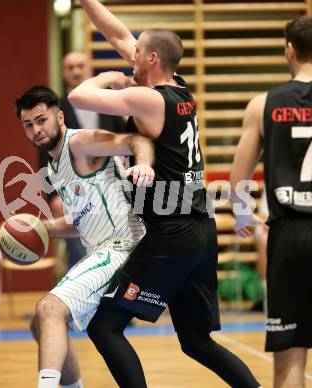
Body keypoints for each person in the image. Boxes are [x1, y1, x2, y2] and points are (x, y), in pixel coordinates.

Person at [67, 1, 261, 387]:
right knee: (195, 340)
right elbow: (119, 34)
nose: (129, 56)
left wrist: (106, 77)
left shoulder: (149, 99)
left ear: (152, 58)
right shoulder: (177, 89)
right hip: (199, 230)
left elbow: (77, 97)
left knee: (105, 326)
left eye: (136, 54)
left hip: (172, 232)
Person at [15, 85, 155, 388]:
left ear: (60, 117)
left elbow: (135, 140)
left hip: (124, 246)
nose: (36, 130)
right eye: (28, 125)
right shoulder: (54, 167)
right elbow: (82, 221)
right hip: (103, 251)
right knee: (43, 323)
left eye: (42, 120)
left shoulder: (80, 143)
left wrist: (143, 164)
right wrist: (38, 227)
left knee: (49, 309)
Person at [230, 15, 312, 388]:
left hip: (290, 237)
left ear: (290, 50)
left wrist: (243, 216)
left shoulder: (263, 104)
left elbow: (239, 181)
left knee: (288, 363)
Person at [39, 51, 126, 269]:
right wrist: (52, 195)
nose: (76, 71)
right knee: (80, 251)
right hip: (73, 189)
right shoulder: (55, 110)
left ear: (90, 70)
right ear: (63, 73)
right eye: (70, 67)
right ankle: (81, 294)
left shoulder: (108, 103)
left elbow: (125, 138)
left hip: (111, 187)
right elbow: (44, 154)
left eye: (80, 66)